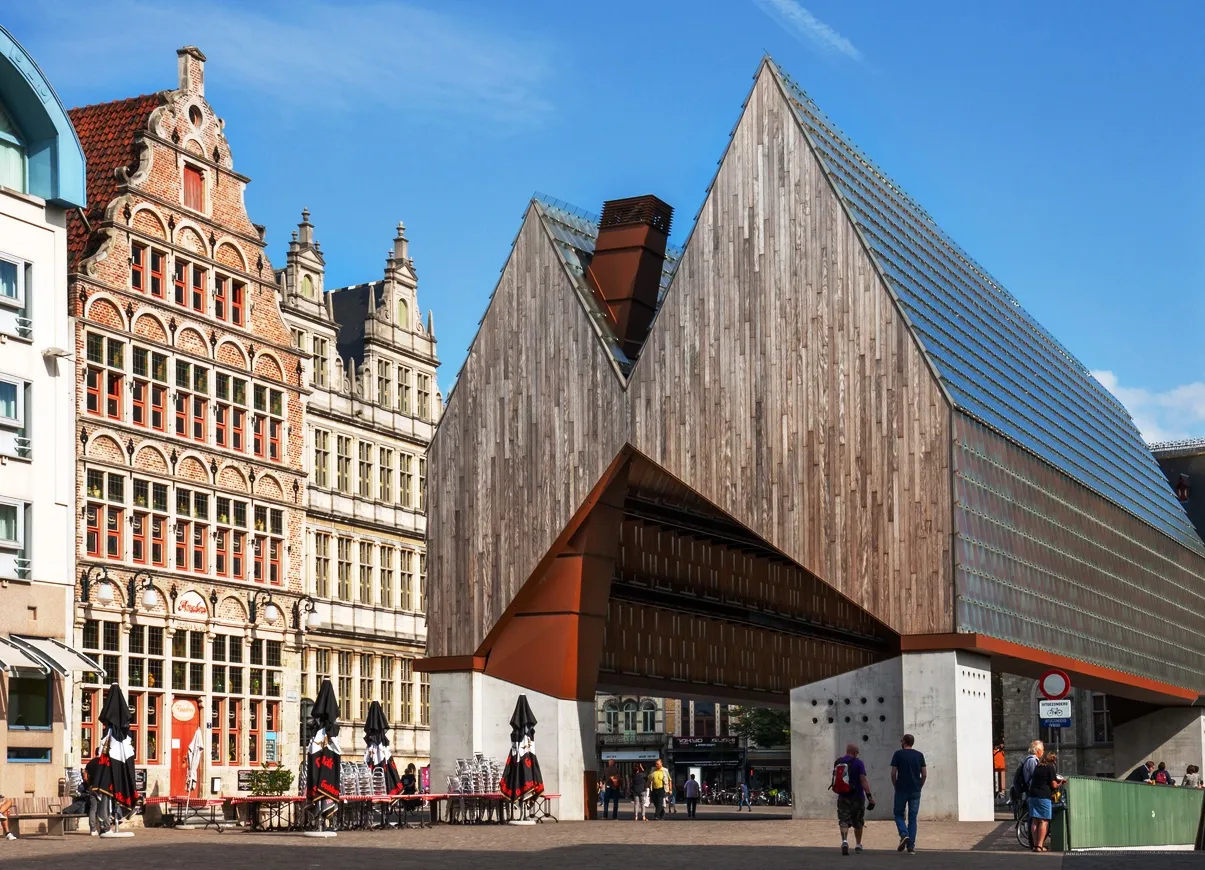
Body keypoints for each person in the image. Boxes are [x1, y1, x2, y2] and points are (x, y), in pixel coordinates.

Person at [831, 742, 873, 856]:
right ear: (855, 752)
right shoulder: (859, 763)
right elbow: (863, 780)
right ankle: (858, 845)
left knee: (843, 820)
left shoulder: (838, 762)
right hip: (857, 797)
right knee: (858, 821)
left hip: (843, 796)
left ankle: (844, 842)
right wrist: (869, 796)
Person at [890, 733, 927, 854]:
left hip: (901, 789)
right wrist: (919, 785)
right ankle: (911, 847)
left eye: (901, 740)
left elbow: (893, 773)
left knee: (898, 814)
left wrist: (895, 784)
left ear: (904, 742)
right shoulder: (919, 755)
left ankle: (903, 833)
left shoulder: (898, 754)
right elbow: (924, 773)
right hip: (915, 790)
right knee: (912, 818)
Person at [1027, 752, 1063, 852]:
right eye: (1054, 760)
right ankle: (1039, 846)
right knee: (1043, 820)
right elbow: (1054, 784)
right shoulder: (1050, 767)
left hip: (1032, 795)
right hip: (1043, 796)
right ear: (1052, 760)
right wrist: (1060, 783)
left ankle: (1034, 845)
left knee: (1035, 820)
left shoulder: (1038, 767)